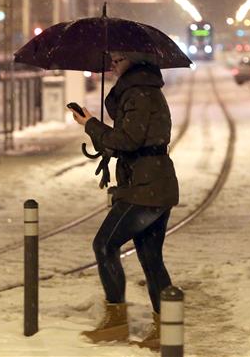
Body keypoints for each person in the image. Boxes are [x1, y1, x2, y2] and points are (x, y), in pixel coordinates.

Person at [70, 51, 179, 350]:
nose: (113, 63)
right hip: (154, 182)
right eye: (112, 58)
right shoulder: (144, 90)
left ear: (136, 59)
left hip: (145, 187)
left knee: (105, 244)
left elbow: (127, 141)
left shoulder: (139, 93)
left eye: (119, 58)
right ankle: (166, 327)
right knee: (150, 257)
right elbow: (132, 138)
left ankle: (116, 323)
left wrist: (91, 124)